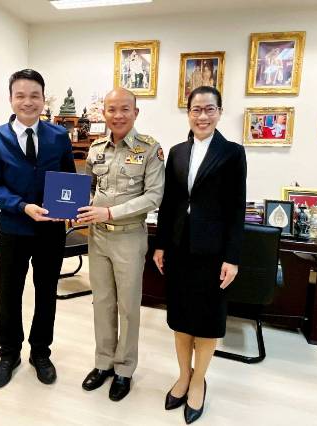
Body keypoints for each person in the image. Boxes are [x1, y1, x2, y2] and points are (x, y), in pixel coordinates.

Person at [153, 86, 246, 424]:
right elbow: (169, 203)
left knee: (206, 322)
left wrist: (232, 257)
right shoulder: (177, 152)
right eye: (196, 109)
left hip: (214, 253)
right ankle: (183, 375)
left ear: (219, 112)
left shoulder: (232, 153)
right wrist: (161, 244)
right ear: (188, 113)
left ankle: (198, 381)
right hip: (179, 249)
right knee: (180, 319)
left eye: (209, 109)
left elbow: (237, 208)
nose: (202, 116)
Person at [0, 69, 75, 388]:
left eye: (35, 95)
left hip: (50, 232)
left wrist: (70, 206)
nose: (28, 102)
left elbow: (68, 177)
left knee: (47, 293)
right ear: (10, 99)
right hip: (13, 230)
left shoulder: (58, 136)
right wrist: (22, 206)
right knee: (10, 294)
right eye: (20, 95)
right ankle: (9, 354)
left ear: (44, 99)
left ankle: (40, 353)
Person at [77, 88, 165, 401]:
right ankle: (103, 362)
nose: (118, 115)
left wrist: (111, 212)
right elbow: (88, 187)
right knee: (102, 302)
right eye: (111, 109)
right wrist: (75, 206)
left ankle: (124, 369)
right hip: (98, 236)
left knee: (128, 306)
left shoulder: (150, 149)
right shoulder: (96, 148)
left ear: (135, 113)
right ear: (104, 113)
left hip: (129, 236)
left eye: (125, 109)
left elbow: (154, 196)